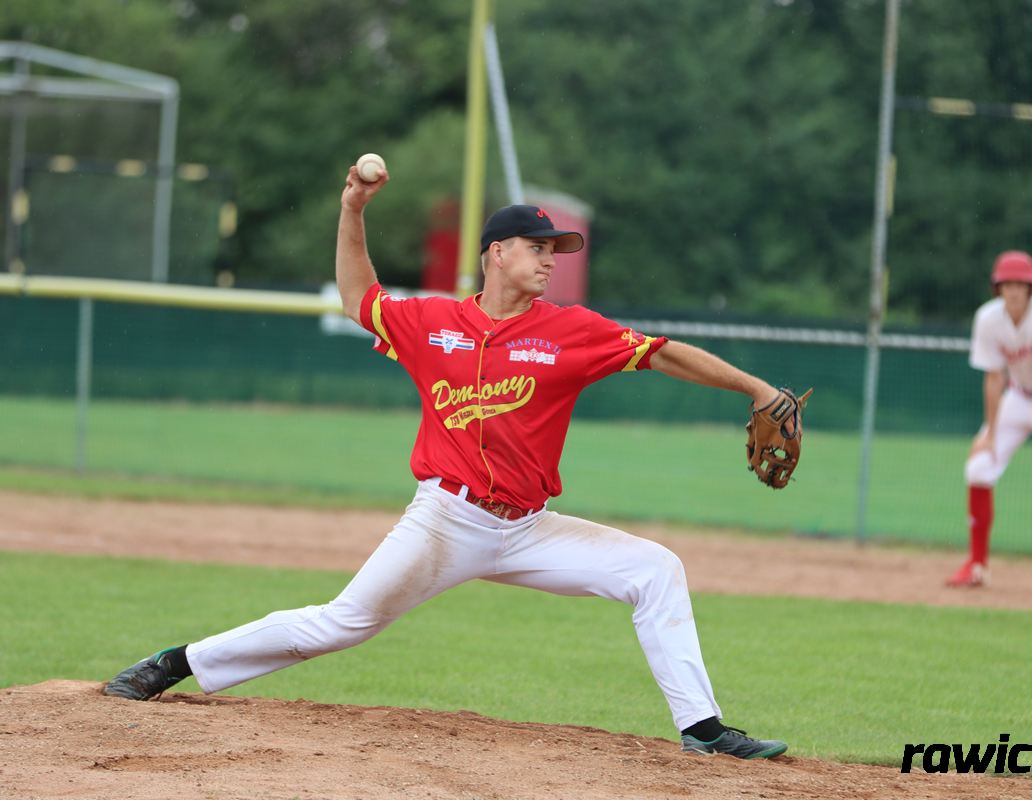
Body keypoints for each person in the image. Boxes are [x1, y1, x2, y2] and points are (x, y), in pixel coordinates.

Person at [102, 162, 798, 760]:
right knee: (343, 623)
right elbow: (357, 298)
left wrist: (758, 388)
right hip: (444, 521)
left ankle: (703, 730)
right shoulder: (433, 323)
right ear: (497, 253)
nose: (550, 258)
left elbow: (665, 351)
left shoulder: (572, 330)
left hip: (529, 529)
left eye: (556, 248)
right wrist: (352, 208)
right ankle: (177, 663)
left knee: (656, 570)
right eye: (537, 246)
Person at [945, 251, 1032, 595]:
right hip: (1018, 396)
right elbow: (994, 379)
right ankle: (977, 566)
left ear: (1031, 288)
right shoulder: (988, 319)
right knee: (979, 466)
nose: (1013, 290)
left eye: (1020, 284)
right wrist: (990, 433)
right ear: (998, 288)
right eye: (1007, 284)